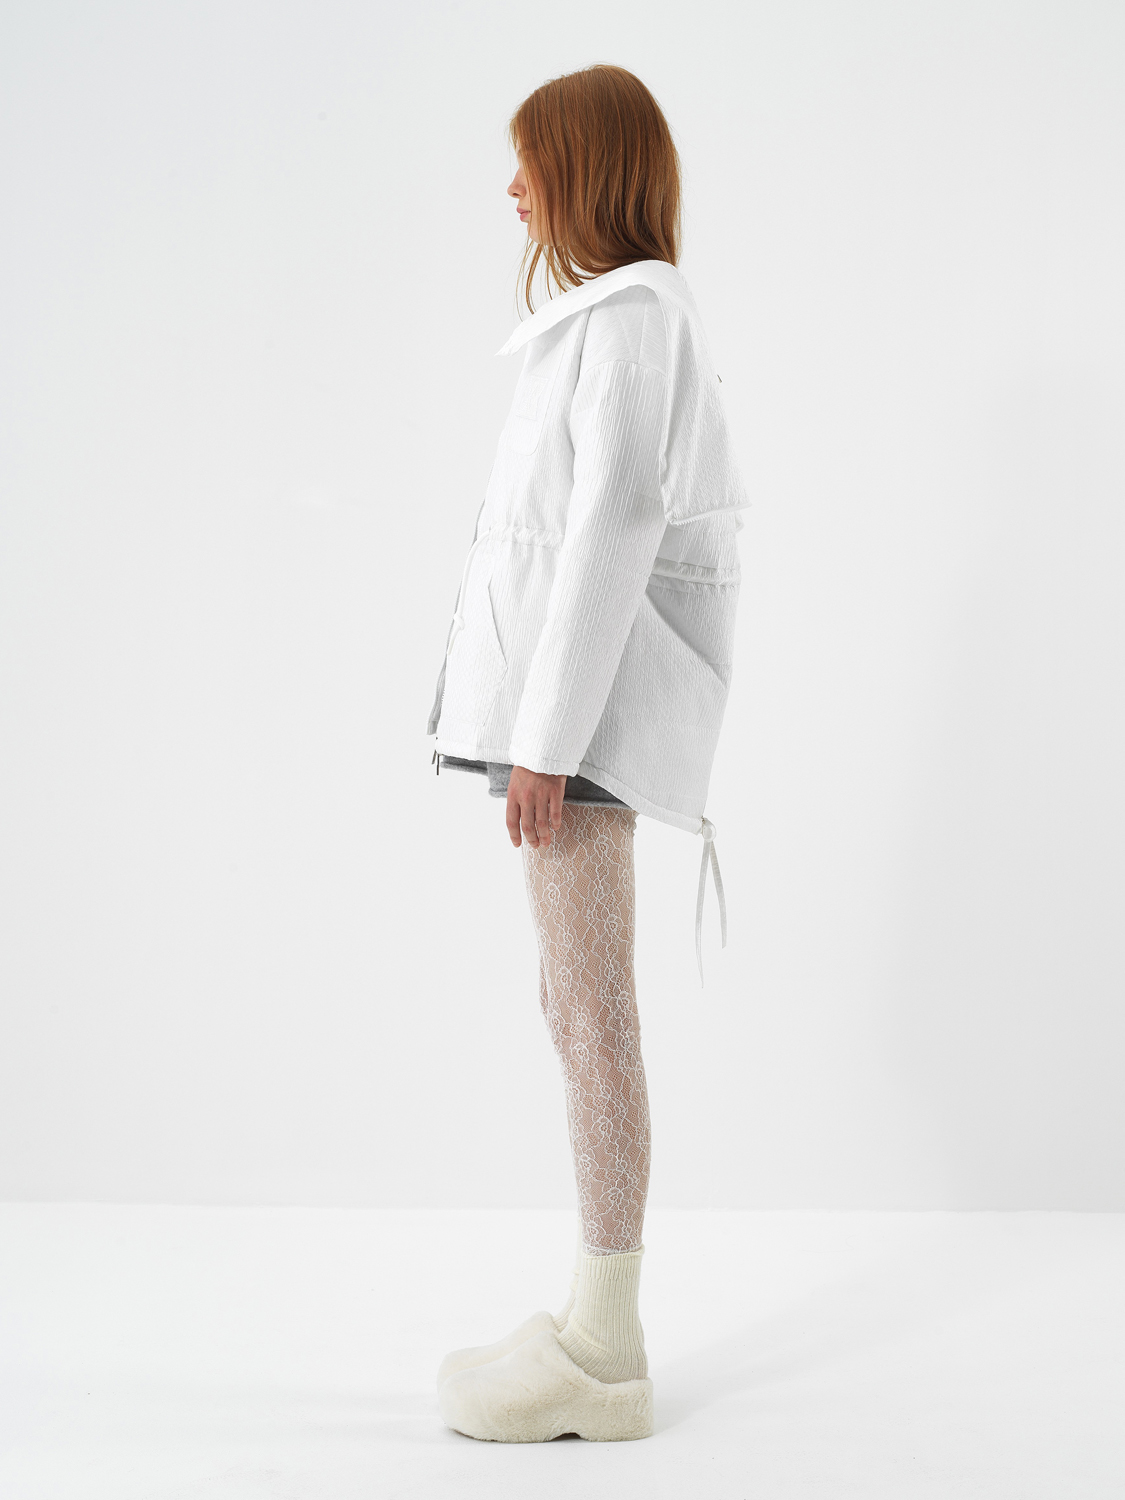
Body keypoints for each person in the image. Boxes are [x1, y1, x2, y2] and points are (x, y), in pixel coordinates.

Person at [427, 63, 747, 1443]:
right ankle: (587, 1317)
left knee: (592, 1013)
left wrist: (545, 743)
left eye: (533, 163)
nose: (513, 189)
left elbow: (615, 519)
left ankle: (606, 1351)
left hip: (588, 727)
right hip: (573, 722)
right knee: (574, 1005)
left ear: (588, 169)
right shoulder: (609, 319)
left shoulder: (632, 319)